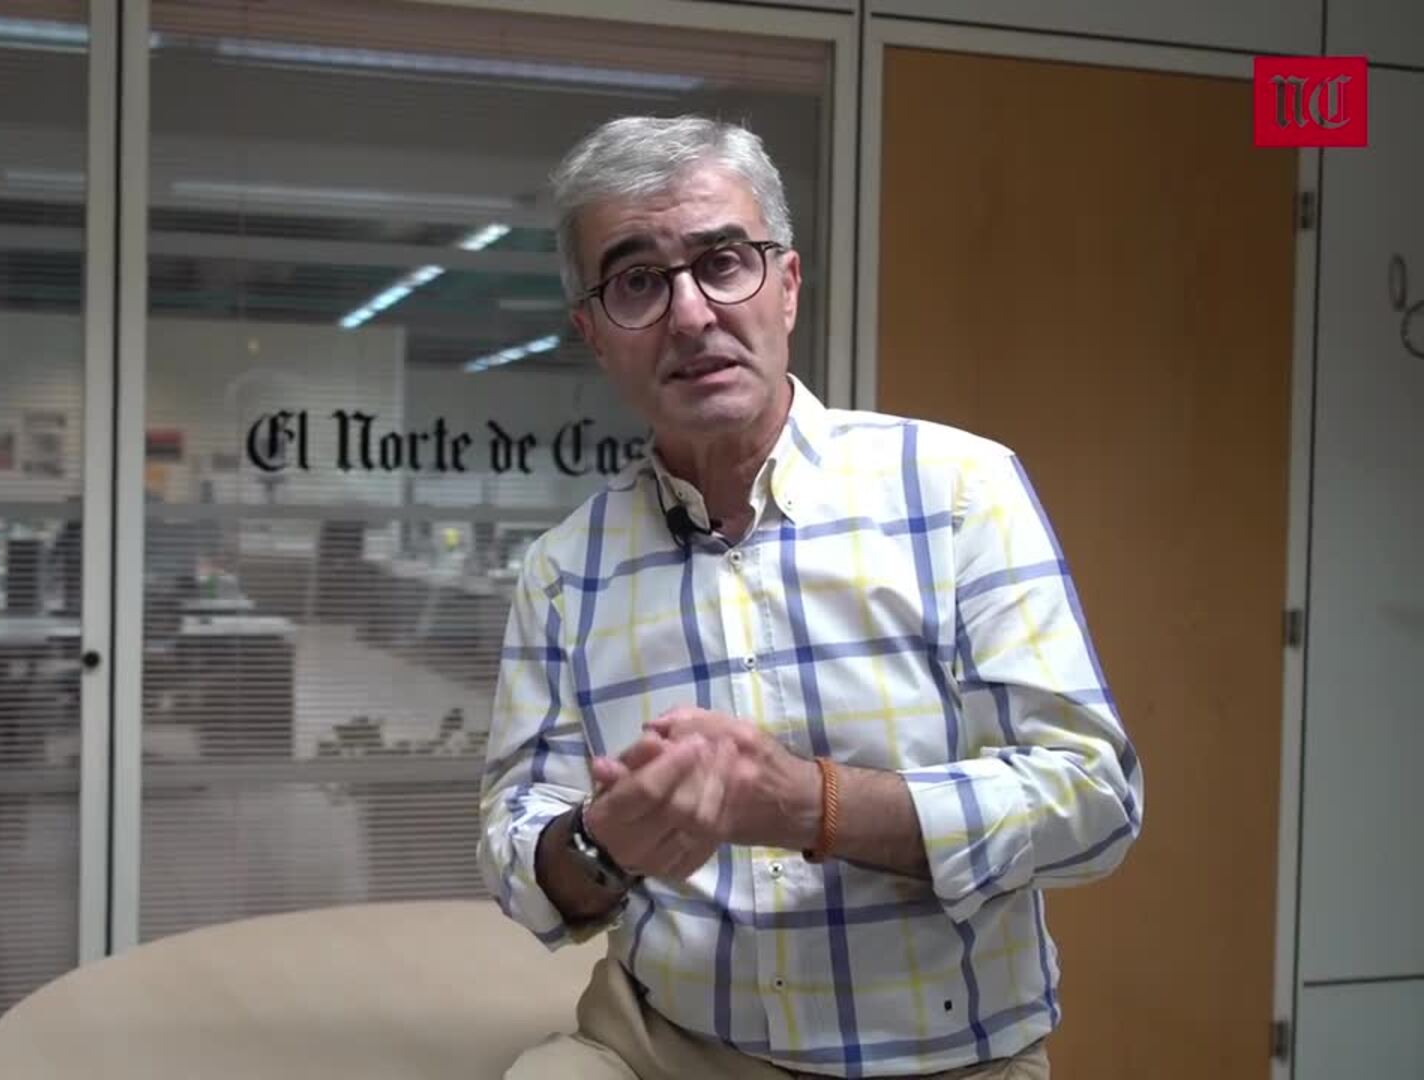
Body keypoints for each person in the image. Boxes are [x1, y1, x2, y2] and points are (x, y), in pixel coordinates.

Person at [478, 115, 1142, 1079]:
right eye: (637, 283)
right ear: (593, 334)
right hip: (662, 1047)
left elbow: (1092, 798)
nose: (691, 315)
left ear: (786, 286)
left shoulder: (958, 491)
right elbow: (516, 843)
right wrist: (599, 843)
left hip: (943, 1059)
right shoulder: (563, 570)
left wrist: (810, 805)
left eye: (723, 262)